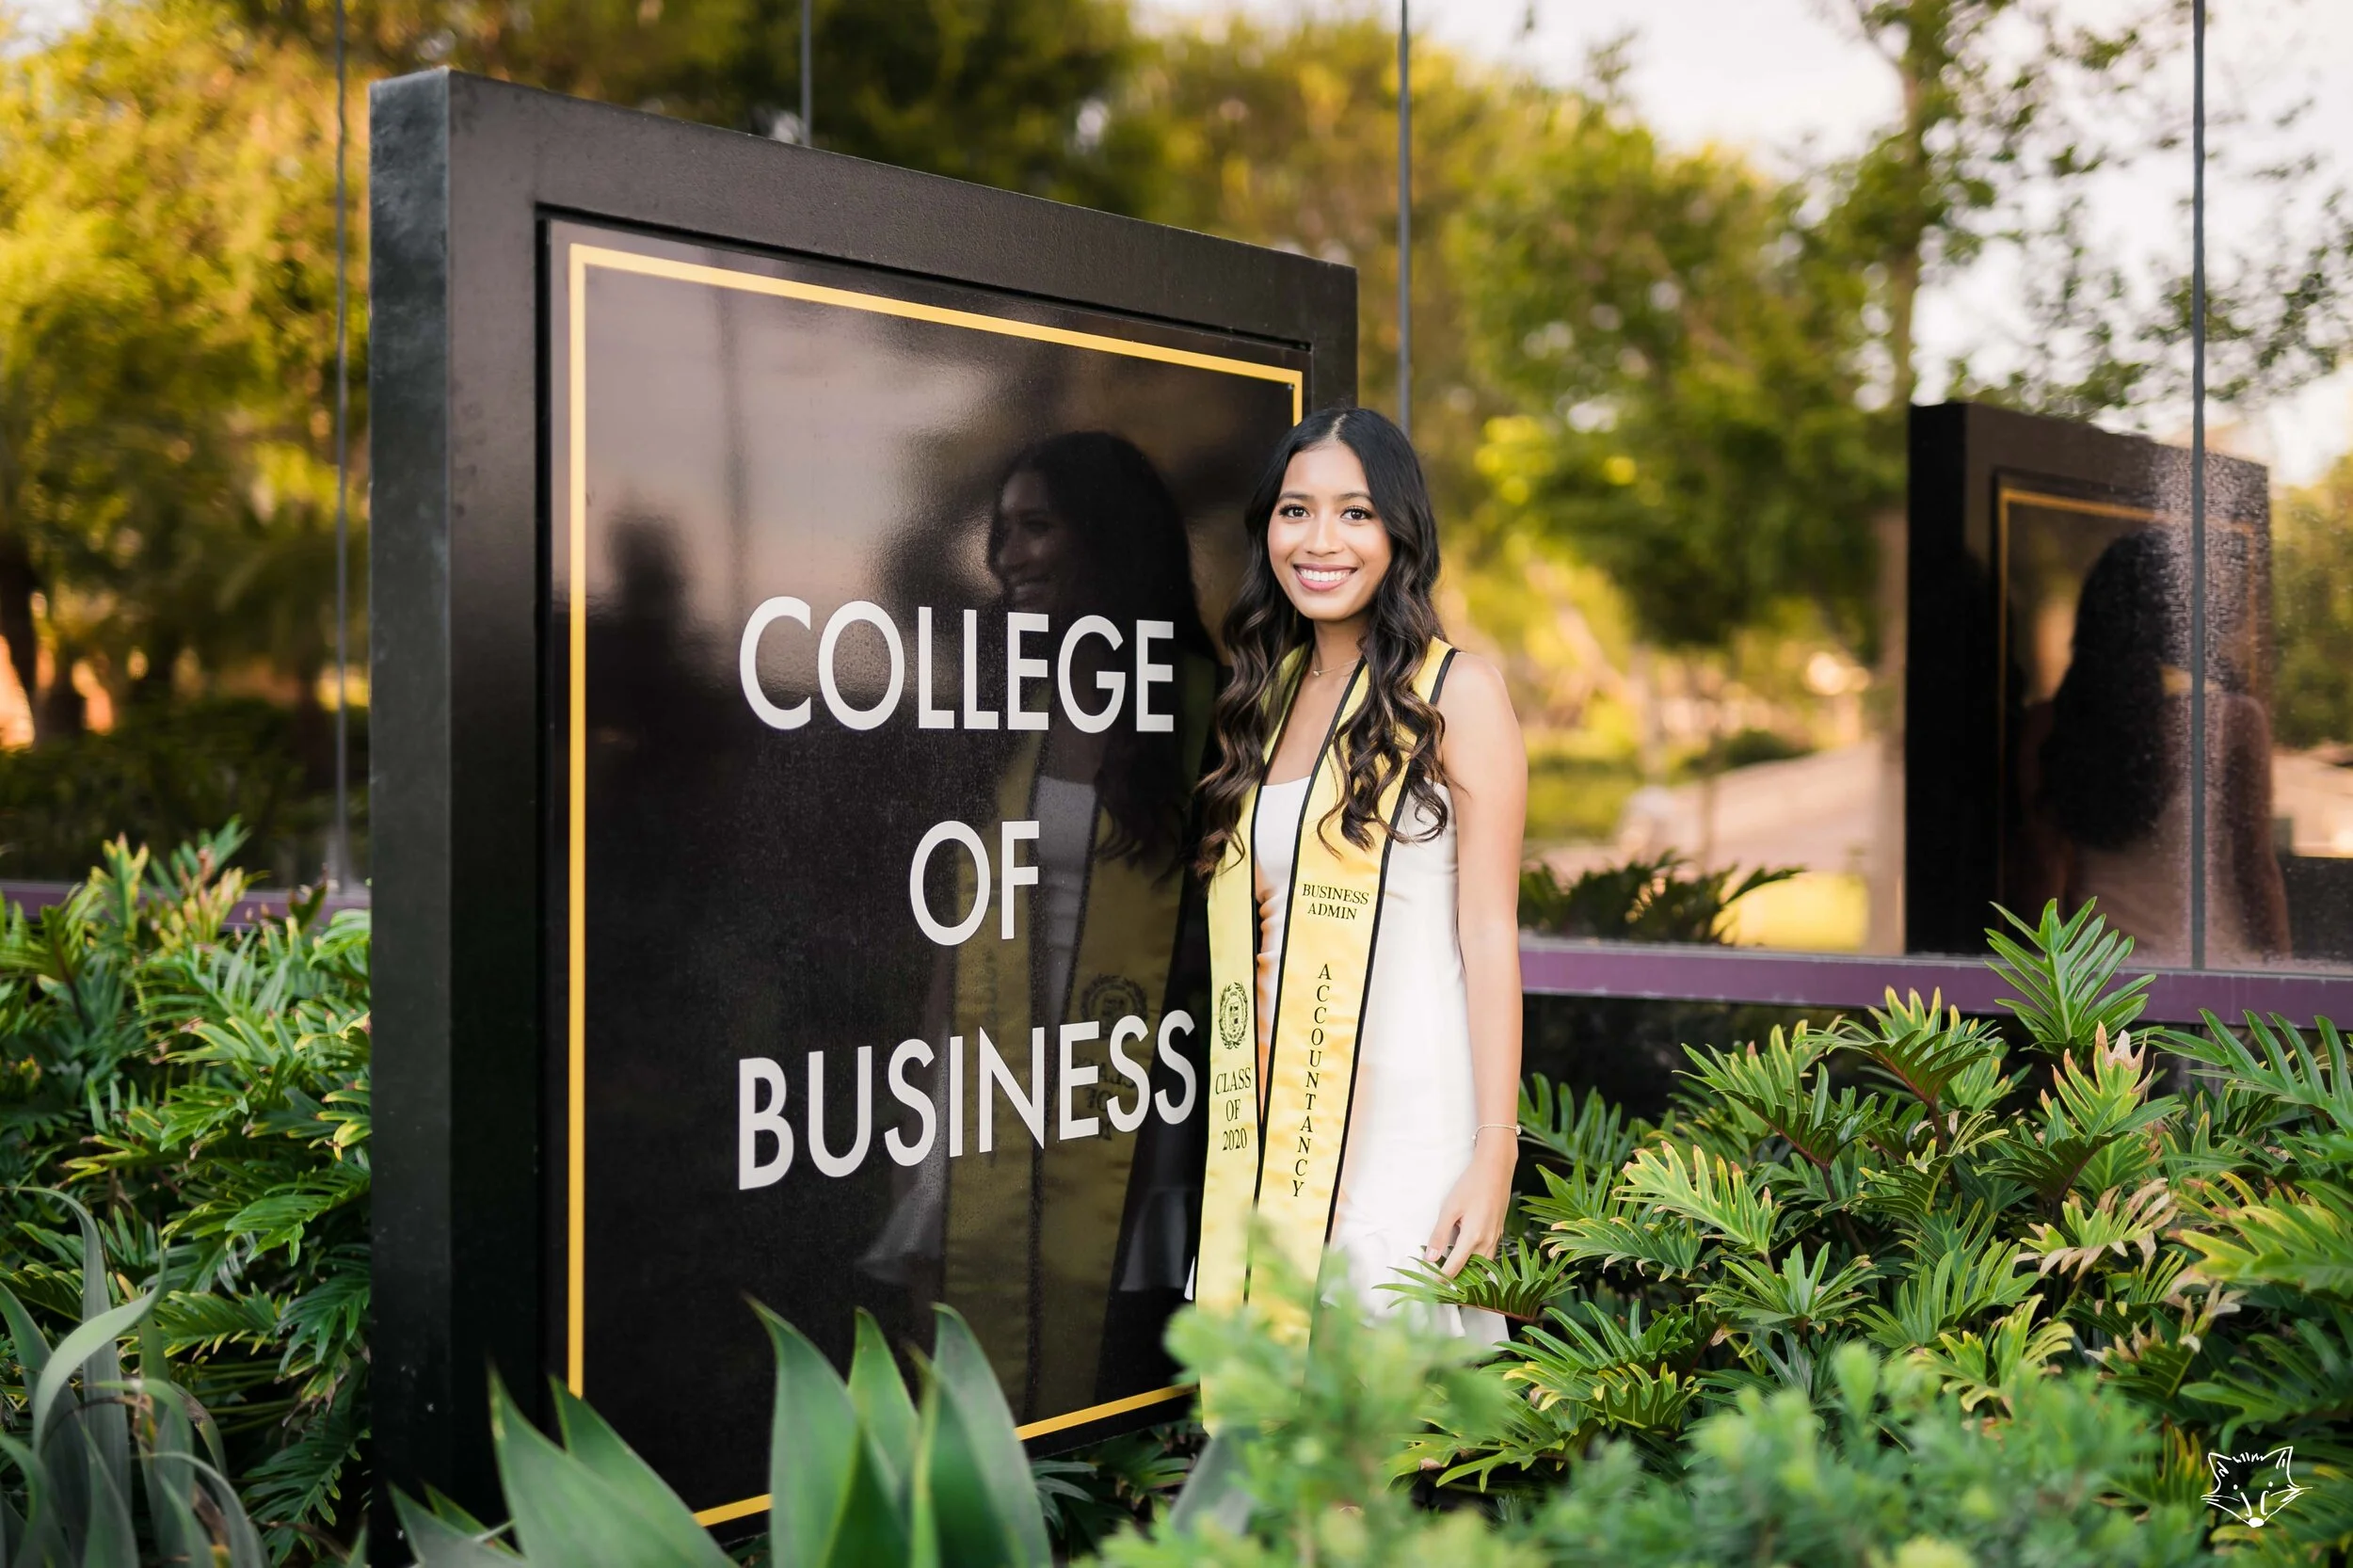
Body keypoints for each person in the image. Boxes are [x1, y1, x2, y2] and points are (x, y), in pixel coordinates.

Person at [1190, 407, 1526, 1354]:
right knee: (1275, 1446)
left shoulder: (1456, 691)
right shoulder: (1263, 696)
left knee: (1364, 1454)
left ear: (1399, 534)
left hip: (1408, 1123)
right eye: (1296, 511)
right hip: (1271, 1120)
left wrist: (1492, 1149)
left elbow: (1489, 934)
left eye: (1355, 513)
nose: (1320, 540)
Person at [2013, 526, 2288, 965]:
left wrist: (2049, 996)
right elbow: (2257, 872)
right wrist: (2288, 994)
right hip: (2211, 989)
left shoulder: (2052, 724)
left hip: (2097, 991)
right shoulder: (2232, 722)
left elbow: (2043, 877)